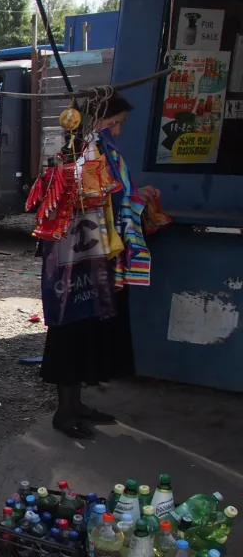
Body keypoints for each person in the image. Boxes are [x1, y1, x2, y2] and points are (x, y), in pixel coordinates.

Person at [40, 91, 160, 438]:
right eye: (115, 123)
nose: (118, 131)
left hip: (97, 255)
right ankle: (64, 411)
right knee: (72, 330)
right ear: (96, 121)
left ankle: (75, 404)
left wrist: (137, 195)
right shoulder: (73, 155)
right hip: (75, 261)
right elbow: (87, 198)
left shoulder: (100, 151)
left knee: (90, 329)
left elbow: (113, 194)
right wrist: (134, 196)